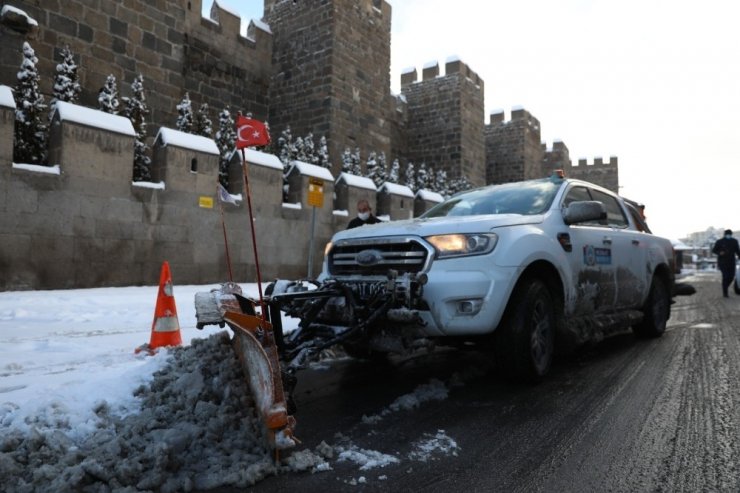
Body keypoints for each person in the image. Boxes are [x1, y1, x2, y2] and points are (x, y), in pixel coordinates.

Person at [712, 229, 740, 297]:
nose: (728, 236)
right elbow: (714, 250)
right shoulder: (720, 242)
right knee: (725, 276)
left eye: (730, 234)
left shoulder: (734, 241)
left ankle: (725, 287)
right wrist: (719, 253)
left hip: (731, 262)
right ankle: (725, 292)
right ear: (724, 235)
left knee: (731, 276)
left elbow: (738, 251)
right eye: (727, 234)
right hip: (722, 262)